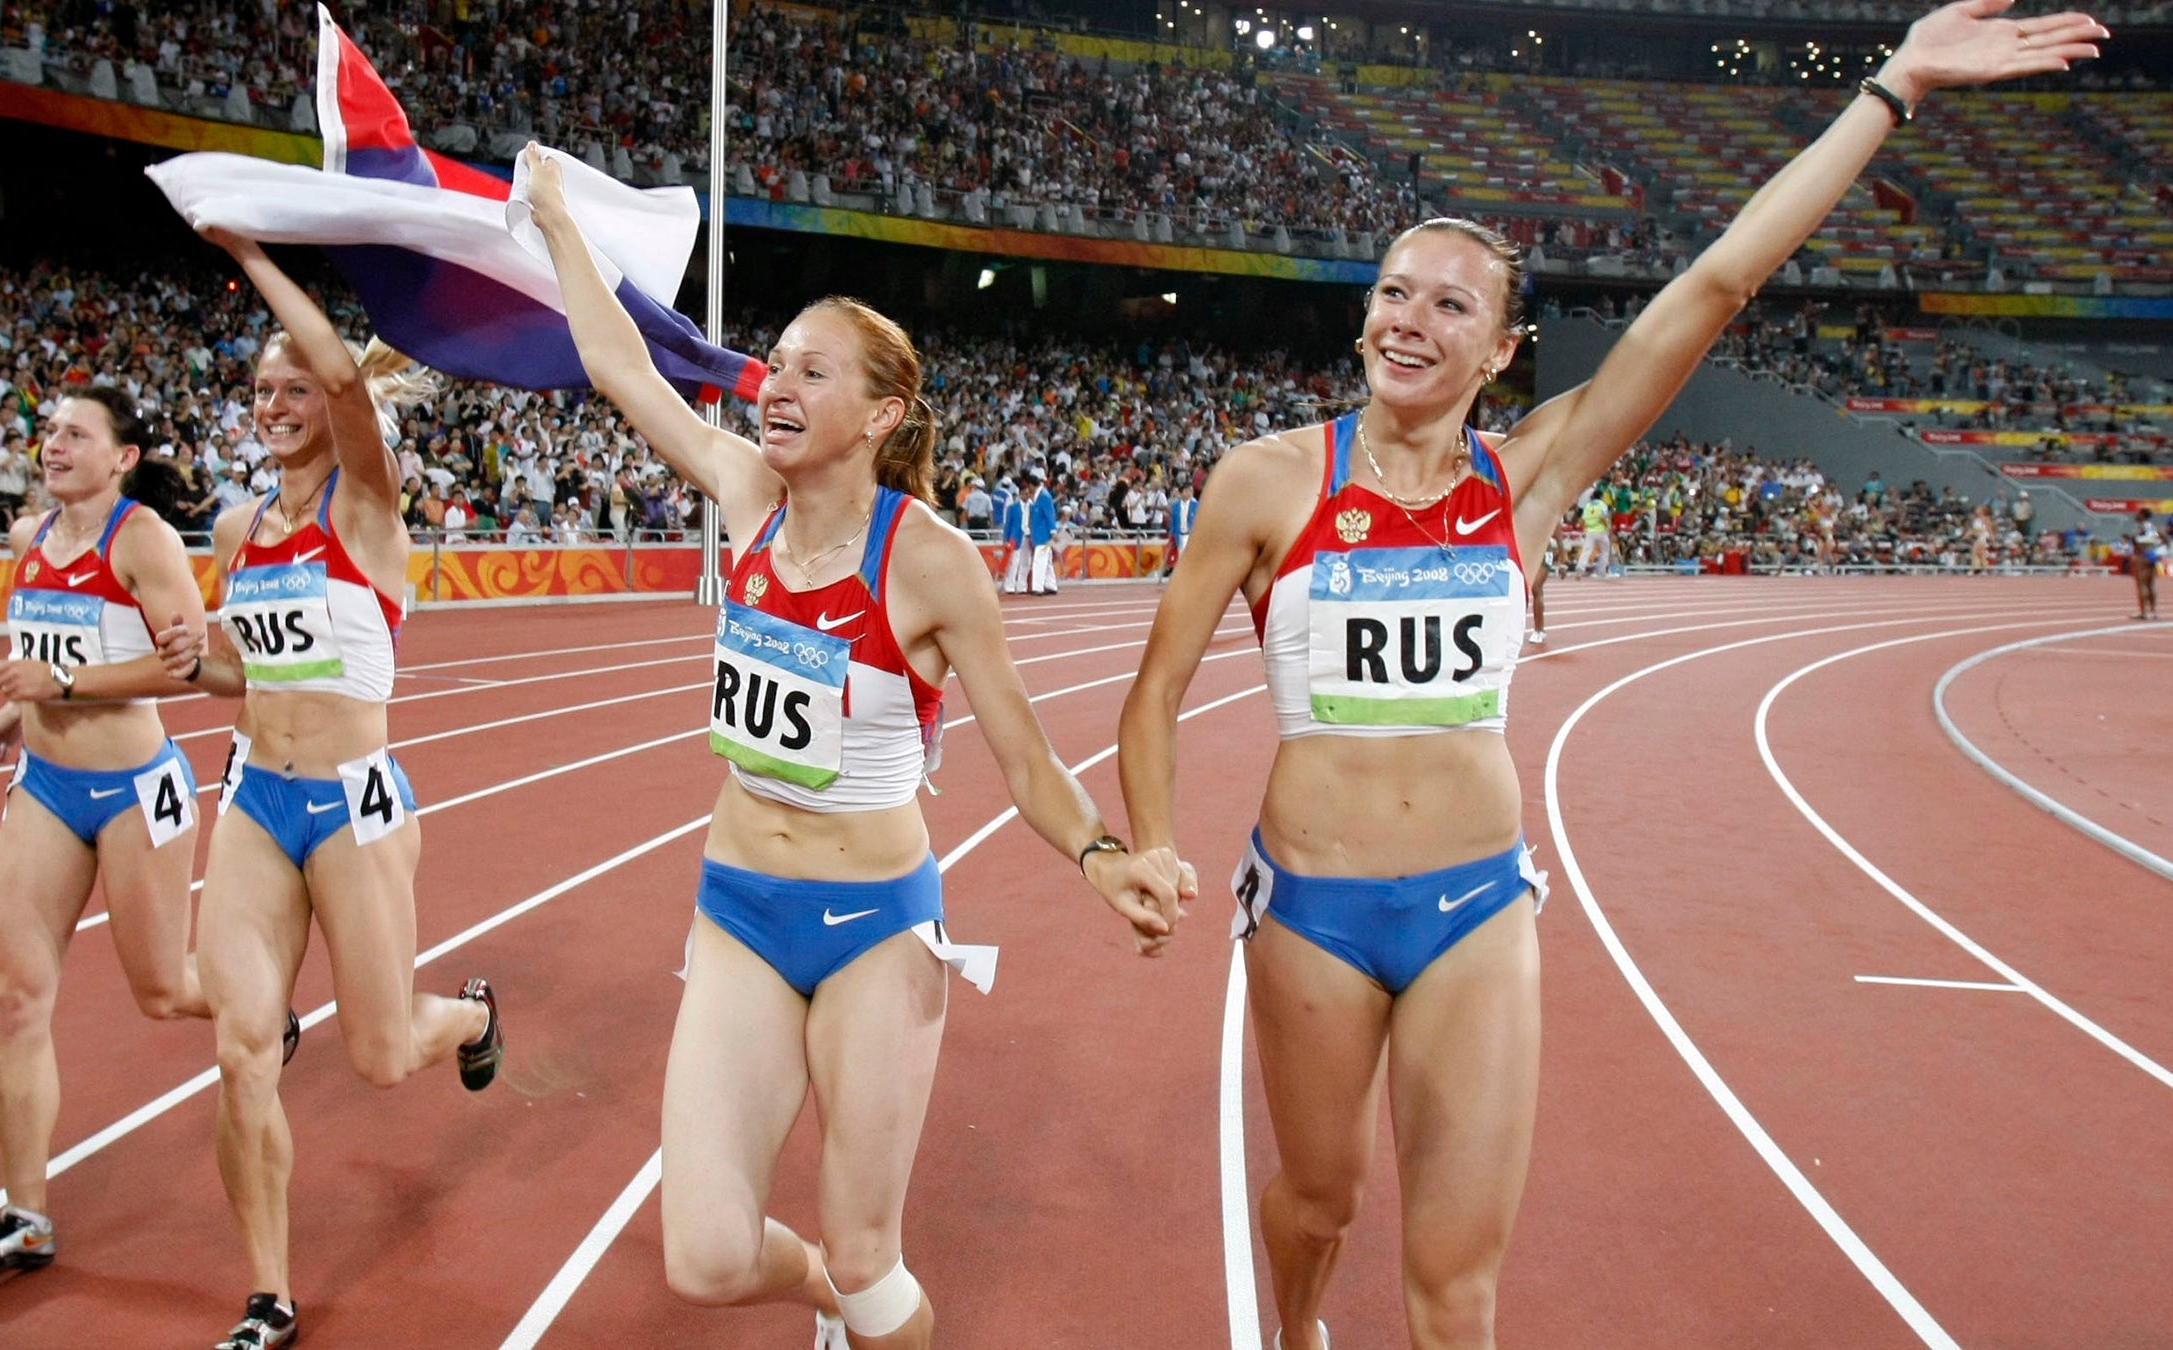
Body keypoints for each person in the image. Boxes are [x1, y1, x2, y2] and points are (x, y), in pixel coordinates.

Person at [1117, 8, 2102, 1347]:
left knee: (1458, 1286)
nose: (1411, 320)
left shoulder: (1530, 477)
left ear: (1503, 349)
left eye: (1451, 303)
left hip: (1475, 904)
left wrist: (1895, 87)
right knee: (1322, 1192)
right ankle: (1297, 1327)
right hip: (1312, 906)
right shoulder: (1267, 481)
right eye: (1395, 292)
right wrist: (1154, 845)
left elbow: (1715, 285)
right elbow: (1155, 686)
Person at [519, 142, 1183, 1350]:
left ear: (880, 413)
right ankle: (821, 1292)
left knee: (877, 1264)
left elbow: (1025, 757)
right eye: (771, 363)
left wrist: (1105, 858)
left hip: (876, 925)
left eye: (809, 372)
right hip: (738, 911)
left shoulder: (928, 560)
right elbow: (618, 363)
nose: (772, 384)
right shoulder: (745, 496)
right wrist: (558, 220)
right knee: (709, 1258)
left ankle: (860, 1301)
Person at [152, 228, 502, 1350]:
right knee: (241, 1046)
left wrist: (253, 257)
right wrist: (185, 663)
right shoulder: (238, 529)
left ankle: (475, 1014)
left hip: (357, 800)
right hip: (257, 795)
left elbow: (349, 375)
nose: (276, 402)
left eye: (292, 385)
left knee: (383, 1053)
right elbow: (246, 674)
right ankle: (268, 1295)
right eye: (262, 388)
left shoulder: (367, 508)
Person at [0, 386, 244, 1284]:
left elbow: (187, 663)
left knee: (159, 991)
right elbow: (45, 646)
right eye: (48, 432)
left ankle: (255, 1009)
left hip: (133, 789)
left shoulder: (141, 537)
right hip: (44, 787)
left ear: (121, 458)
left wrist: (60, 688)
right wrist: (15, 707)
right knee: (17, 998)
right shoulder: (25, 538)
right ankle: (25, 1215)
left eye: (76, 434)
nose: (53, 444)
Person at [2132, 506, 2162, 620]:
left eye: (2138, 513)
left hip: (2142, 557)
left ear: (2143, 515)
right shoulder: (2152, 527)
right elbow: (2158, 540)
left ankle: (2143, 612)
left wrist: (2138, 552)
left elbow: (2137, 540)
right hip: (2152, 556)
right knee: (2151, 585)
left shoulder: (2141, 526)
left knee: (2141, 585)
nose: (2136, 515)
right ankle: (2153, 611)